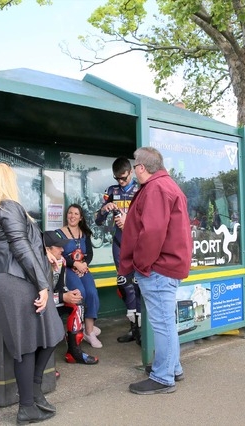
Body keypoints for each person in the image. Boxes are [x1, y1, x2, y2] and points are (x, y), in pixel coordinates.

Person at [0, 163, 63, 424]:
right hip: (18, 280)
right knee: (28, 343)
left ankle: (34, 394)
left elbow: (22, 244)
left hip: (7, 279)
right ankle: (27, 405)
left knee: (46, 335)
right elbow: (20, 247)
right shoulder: (8, 206)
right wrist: (42, 285)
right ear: (7, 180)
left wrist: (44, 253)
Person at [120, 147, 192, 395]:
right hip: (166, 266)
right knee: (166, 322)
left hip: (158, 268)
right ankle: (173, 367)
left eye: (135, 168)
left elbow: (151, 233)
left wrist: (140, 264)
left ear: (141, 168)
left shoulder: (156, 188)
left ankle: (163, 377)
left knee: (162, 324)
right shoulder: (166, 185)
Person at [95, 156, 141, 344]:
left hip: (138, 244)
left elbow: (149, 221)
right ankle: (133, 328)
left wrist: (128, 221)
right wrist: (105, 209)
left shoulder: (141, 190)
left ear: (131, 172)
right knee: (124, 284)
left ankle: (142, 330)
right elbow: (97, 221)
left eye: (124, 178)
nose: (121, 182)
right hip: (119, 243)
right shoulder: (112, 191)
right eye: (117, 179)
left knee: (139, 286)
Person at [44, 230, 99, 365]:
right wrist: (63, 297)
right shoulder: (39, 263)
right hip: (39, 303)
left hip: (53, 298)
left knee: (77, 302)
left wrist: (70, 294)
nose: (62, 250)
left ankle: (74, 353)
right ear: (47, 249)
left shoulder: (61, 260)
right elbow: (37, 296)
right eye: (58, 247)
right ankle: (45, 365)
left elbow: (60, 287)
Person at [56, 204, 102, 348]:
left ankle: (89, 331)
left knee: (92, 293)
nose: (72, 216)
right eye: (70, 213)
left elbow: (89, 254)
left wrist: (84, 265)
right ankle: (77, 329)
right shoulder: (59, 233)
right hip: (68, 269)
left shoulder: (85, 233)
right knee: (79, 292)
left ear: (81, 217)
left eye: (76, 214)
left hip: (83, 268)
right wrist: (75, 264)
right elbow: (59, 255)